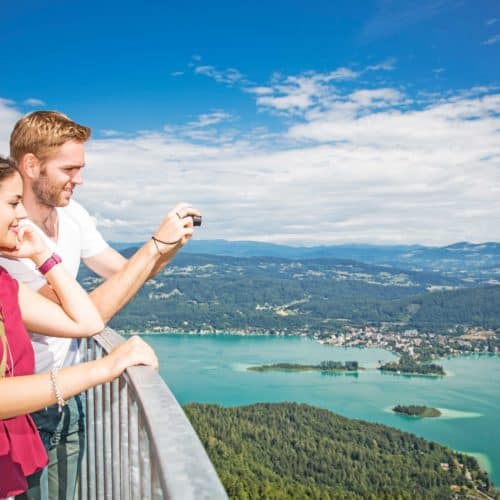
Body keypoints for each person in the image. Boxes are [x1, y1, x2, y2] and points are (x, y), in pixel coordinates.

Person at [0, 111, 201, 500]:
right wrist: (154, 247)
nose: (80, 179)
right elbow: (76, 319)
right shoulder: (10, 248)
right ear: (31, 165)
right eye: (70, 168)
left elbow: (123, 275)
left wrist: (166, 247)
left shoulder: (71, 217)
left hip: (65, 398)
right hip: (27, 404)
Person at [0, 156, 159, 499]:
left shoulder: (4, 285)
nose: (22, 215)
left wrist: (43, 255)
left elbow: (86, 321)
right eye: (13, 202)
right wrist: (103, 368)